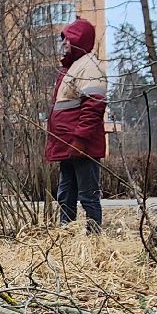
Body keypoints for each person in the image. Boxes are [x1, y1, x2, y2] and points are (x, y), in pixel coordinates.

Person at [45, 16, 107, 230]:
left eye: (68, 40)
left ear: (78, 40)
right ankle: (66, 236)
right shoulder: (71, 68)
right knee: (65, 193)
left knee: (88, 195)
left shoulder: (89, 67)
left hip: (82, 146)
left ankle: (94, 238)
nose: (64, 45)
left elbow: (94, 108)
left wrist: (80, 140)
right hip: (67, 145)